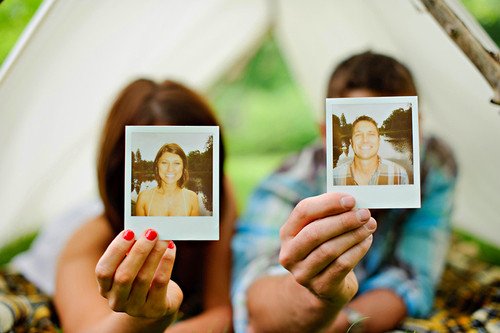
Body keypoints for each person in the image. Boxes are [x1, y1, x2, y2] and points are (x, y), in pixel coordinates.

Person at [231, 51, 457, 332]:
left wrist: (342, 321)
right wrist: (317, 296)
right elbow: (256, 298)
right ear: (326, 133)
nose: (368, 143)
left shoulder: (432, 168)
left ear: (418, 129)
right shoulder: (287, 186)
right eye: (355, 130)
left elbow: (413, 277)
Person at [14, 79, 237, 332]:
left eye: (180, 158)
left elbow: (221, 314)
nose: (171, 169)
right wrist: (142, 320)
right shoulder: (87, 238)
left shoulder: (212, 197)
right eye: (160, 159)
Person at [332, 115, 409, 185]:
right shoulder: (334, 177)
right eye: (358, 135)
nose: (365, 140)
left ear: (379, 141)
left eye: (371, 134)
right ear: (351, 143)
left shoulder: (400, 175)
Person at [136, 143, 199, 216]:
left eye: (176, 163)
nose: (170, 169)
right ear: (157, 166)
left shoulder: (192, 198)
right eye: (164, 163)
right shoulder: (144, 198)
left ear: (183, 167)